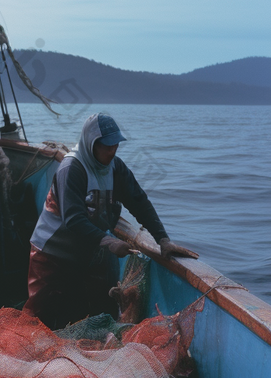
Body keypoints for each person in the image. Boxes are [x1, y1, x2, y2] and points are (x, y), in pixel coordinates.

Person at [24, 112, 198, 329]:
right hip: (52, 255)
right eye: (106, 145)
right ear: (90, 144)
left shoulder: (117, 168)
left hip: (88, 253)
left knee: (94, 315)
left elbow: (139, 201)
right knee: (41, 321)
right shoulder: (72, 169)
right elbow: (74, 219)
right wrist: (109, 242)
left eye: (115, 144)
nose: (112, 150)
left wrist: (162, 239)